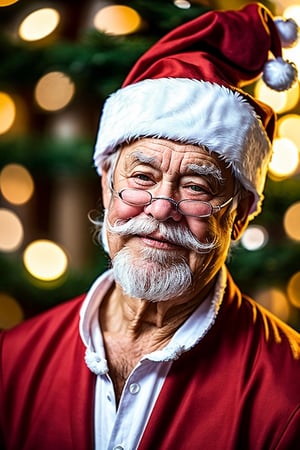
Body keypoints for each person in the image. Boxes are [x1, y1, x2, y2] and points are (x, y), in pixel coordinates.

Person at [1, 3, 300, 449]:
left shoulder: (288, 396)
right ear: (106, 185)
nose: (162, 207)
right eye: (142, 176)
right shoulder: (13, 362)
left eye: (196, 186)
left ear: (239, 216)